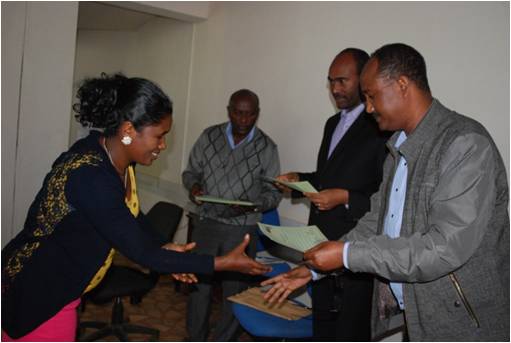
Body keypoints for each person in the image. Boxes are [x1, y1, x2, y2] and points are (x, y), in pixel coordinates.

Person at [262, 43, 509, 341]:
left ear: (402, 85)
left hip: (464, 322)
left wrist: (347, 254)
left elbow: (444, 248)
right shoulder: (398, 147)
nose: (368, 107)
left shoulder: (464, 144)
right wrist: (315, 269)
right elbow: (373, 222)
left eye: (371, 96)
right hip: (419, 316)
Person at [1, 74, 270, 342]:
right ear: (129, 130)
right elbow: (140, 252)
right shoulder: (90, 175)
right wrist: (221, 263)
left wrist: (164, 245)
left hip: (64, 289)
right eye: (160, 136)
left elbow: (130, 216)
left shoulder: (116, 161)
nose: (163, 145)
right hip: (36, 293)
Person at [275, 48, 389, 340]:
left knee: (349, 333)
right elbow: (326, 179)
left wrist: (347, 197)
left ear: (364, 80)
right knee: (321, 328)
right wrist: (299, 180)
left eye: (342, 81)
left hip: (355, 252)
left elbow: (386, 196)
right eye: (330, 81)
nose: (335, 89)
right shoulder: (332, 123)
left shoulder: (381, 125)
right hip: (319, 244)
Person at [182, 89, 282, 341]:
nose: (243, 120)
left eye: (249, 115)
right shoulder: (209, 136)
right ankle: (196, 338)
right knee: (199, 287)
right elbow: (190, 172)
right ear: (229, 111)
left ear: (257, 115)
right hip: (206, 222)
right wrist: (194, 187)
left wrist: (253, 205)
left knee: (234, 292)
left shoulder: (267, 147)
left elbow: (273, 194)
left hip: (241, 230)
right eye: (238, 113)